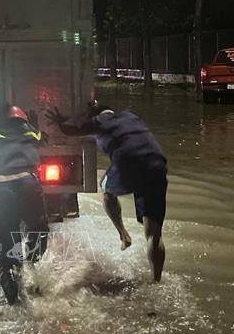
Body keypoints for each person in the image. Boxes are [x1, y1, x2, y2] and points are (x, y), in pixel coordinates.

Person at [45, 100, 167, 282]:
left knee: (106, 191)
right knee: (154, 233)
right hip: (157, 164)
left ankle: (123, 235)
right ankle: (156, 280)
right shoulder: (130, 117)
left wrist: (60, 120)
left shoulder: (99, 122)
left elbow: (70, 130)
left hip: (130, 163)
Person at [0, 103, 50, 304]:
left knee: (7, 245)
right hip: (27, 185)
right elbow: (44, 139)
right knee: (39, 229)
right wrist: (35, 127)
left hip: (0, 189)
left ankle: (13, 297)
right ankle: (32, 264)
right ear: (23, 120)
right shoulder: (31, 134)